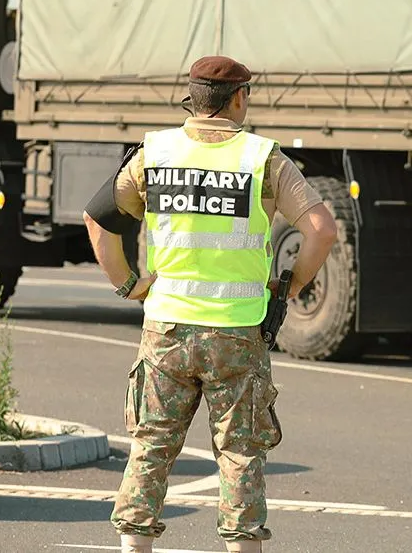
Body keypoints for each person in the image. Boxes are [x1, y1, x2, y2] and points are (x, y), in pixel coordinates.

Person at [82, 55, 340, 553]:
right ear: (238, 98)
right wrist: (290, 286)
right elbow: (322, 230)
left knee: (151, 445)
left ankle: (134, 547)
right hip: (237, 333)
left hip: (167, 330)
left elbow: (97, 220)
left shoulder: (155, 154)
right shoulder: (262, 159)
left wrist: (128, 284)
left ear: (194, 99)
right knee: (240, 454)